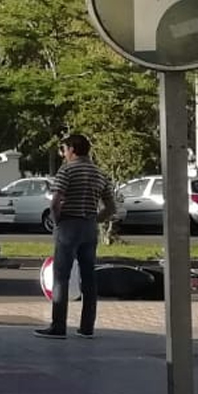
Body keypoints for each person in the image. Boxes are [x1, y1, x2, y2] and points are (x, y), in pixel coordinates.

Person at [34, 134, 117, 340]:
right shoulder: (99, 173)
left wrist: (57, 221)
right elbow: (111, 207)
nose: (64, 153)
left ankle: (58, 326)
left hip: (69, 224)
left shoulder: (67, 170)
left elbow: (56, 201)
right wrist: (95, 219)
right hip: (89, 227)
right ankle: (87, 327)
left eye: (64, 149)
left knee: (61, 276)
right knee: (89, 277)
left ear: (72, 149)